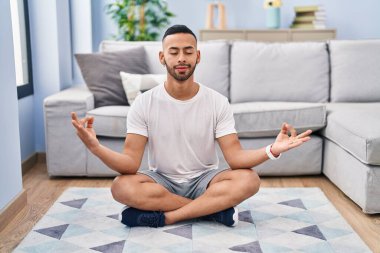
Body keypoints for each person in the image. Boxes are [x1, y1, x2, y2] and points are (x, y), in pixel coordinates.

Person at [71, 24, 312, 228]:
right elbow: (130, 163)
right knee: (121, 187)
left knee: (250, 180)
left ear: (198, 56)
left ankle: (166, 217)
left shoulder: (217, 102)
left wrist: (273, 150)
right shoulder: (143, 103)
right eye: (173, 52)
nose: (181, 58)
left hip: (206, 180)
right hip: (161, 179)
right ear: (162, 57)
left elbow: (236, 159)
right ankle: (214, 211)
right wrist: (95, 147)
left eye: (188, 51)